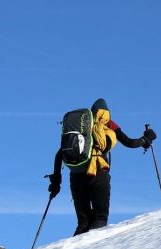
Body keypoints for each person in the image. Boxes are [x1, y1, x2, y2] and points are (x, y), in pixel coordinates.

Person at [48, 98, 156, 235]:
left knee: (83, 223)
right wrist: (146, 139)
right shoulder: (107, 122)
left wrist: (56, 181)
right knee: (99, 217)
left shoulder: (82, 128)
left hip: (76, 176)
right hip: (98, 173)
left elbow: (59, 154)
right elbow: (129, 142)